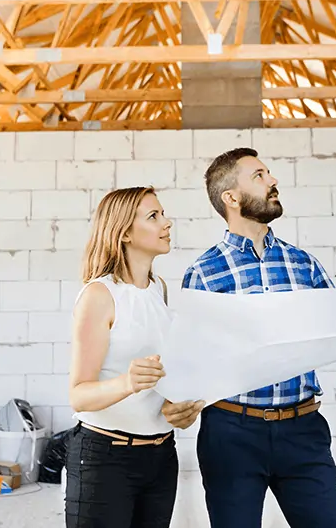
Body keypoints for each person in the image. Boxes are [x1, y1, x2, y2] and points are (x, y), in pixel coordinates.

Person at [182, 147, 336, 528]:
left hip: (303, 431)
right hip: (231, 434)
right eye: (259, 176)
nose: (273, 180)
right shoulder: (202, 275)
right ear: (231, 197)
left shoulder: (303, 263)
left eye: (270, 173)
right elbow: (190, 360)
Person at [67, 186, 205, 528]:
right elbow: (78, 396)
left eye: (163, 214)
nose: (167, 222)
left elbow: (164, 379)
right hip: (105, 458)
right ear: (125, 232)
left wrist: (181, 409)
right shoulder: (100, 295)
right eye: (153, 216)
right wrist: (127, 383)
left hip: (160, 456)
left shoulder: (159, 288)